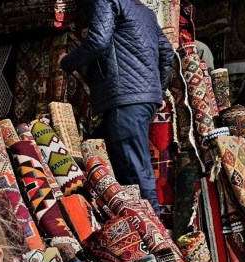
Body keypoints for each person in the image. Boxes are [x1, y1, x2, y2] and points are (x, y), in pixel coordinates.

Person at [60, 0, 175, 214]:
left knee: (136, 171)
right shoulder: (145, 12)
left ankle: (156, 234)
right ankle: (125, 222)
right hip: (140, 99)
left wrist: (67, 62)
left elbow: (98, 41)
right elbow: (167, 52)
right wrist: (155, 91)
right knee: (104, 158)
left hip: (125, 98)